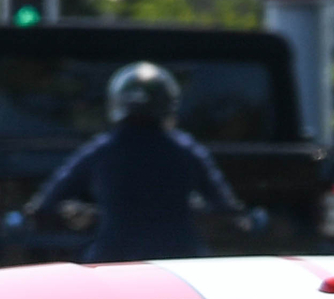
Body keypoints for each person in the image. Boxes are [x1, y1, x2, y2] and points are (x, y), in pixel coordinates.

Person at [26, 62, 250, 262]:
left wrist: (85, 216)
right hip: (180, 260)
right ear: (168, 104)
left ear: (117, 103)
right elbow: (227, 209)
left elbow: (46, 204)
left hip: (112, 259)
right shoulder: (187, 151)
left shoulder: (101, 151)